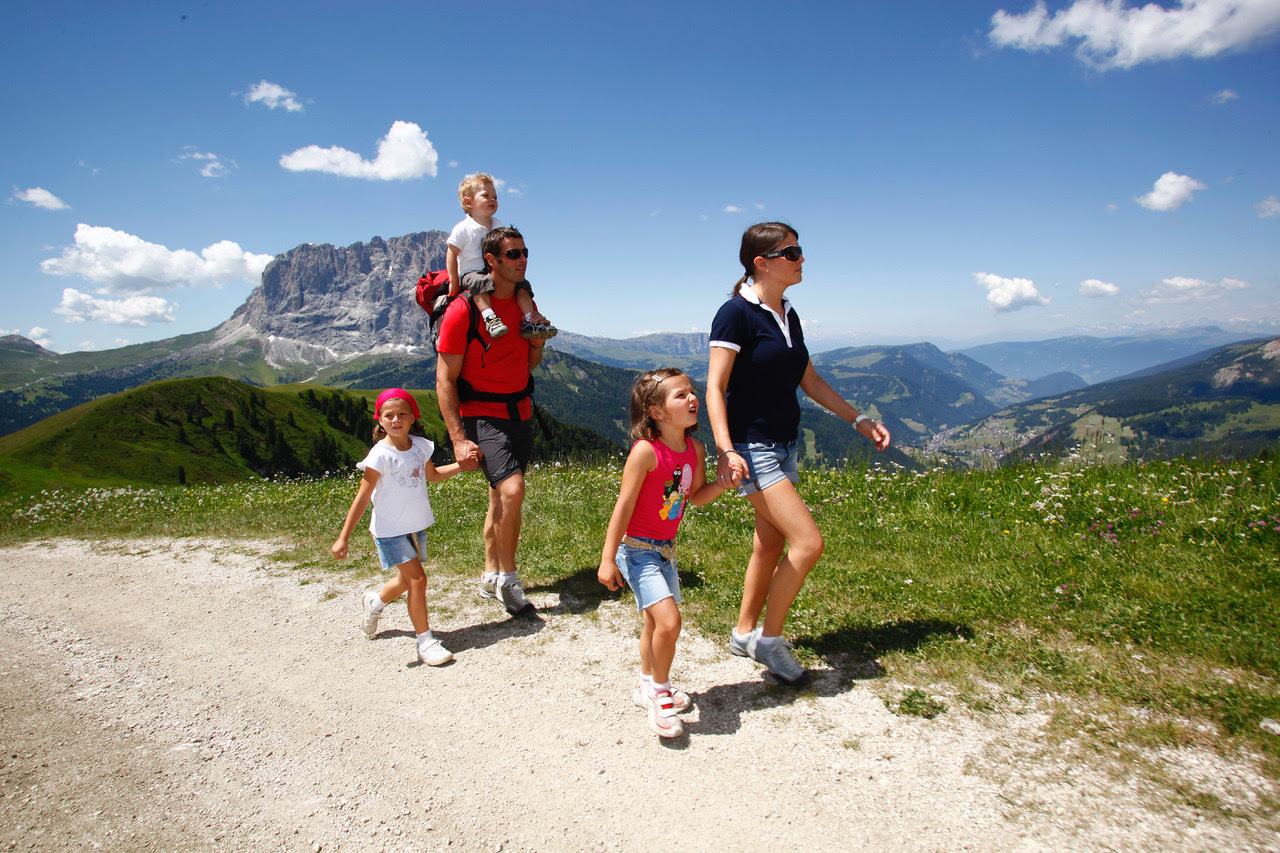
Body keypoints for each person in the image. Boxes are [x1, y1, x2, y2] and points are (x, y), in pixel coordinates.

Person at [706, 223, 892, 686]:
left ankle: (743, 634)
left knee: (770, 543)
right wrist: (726, 450)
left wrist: (858, 419)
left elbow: (809, 380)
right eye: (791, 253)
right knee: (808, 542)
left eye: (799, 250)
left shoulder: (788, 313)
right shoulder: (735, 314)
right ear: (762, 263)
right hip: (752, 447)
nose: (801, 258)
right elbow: (714, 387)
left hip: (785, 443)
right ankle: (769, 641)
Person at [598, 368, 728, 738]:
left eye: (691, 391)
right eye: (680, 395)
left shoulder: (695, 450)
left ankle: (646, 685)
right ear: (656, 412)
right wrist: (607, 559)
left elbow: (696, 496)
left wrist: (722, 483)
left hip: (665, 552)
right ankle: (660, 694)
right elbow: (623, 506)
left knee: (654, 625)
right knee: (669, 623)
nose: (692, 398)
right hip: (636, 550)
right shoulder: (646, 452)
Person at [437, 226, 546, 616]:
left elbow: (530, 363)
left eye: (524, 252)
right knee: (512, 491)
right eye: (513, 254)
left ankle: (489, 574)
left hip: (520, 410)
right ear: (491, 260)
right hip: (482, 414)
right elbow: (444, 379)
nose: (522, 259)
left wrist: (537, 342)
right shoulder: (463, 310)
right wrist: (457, 439)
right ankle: (509, 582)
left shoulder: (524, 303)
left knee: (500, 495)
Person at [331, 388, 462, 666]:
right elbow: (363, 497)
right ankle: (425, 641)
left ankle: (375, 603)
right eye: (389, 415)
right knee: (418, 579)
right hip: (389, 530)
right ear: (379, 420)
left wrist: (461, 466)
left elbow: (433, 475)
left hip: (414, 526)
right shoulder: (380, 455)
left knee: (406, 580)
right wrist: (344, 537)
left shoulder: (420, 446)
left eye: (402, 414)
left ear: (413, 417)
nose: (396, 419)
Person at [445, 172, 556, 341]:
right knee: (480, 283)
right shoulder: (463, 228)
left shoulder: (497, 224)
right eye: (486, 196)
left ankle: (530, 320)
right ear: (468, 202)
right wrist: (454, 281)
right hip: (472, 271)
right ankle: (490, 318)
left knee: (522, 286)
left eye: (495, 197)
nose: (492, 200)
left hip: (493, 270)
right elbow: (452, 253)